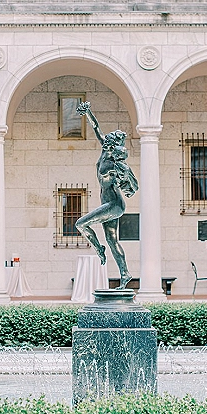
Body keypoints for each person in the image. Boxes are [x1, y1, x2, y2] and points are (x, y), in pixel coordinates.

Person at [74, 101, 138, 289]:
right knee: (112, 239)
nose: (107, 139)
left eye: (111, 139)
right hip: (108, 203)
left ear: (116, 144)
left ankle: (98, 249)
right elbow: (96, 128)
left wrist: (124, 176)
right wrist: (88, 113)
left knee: (80, 223)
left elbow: (130, 183)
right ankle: (125, 274)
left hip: (114, 204)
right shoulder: (104, 151)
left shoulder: (116, 164)